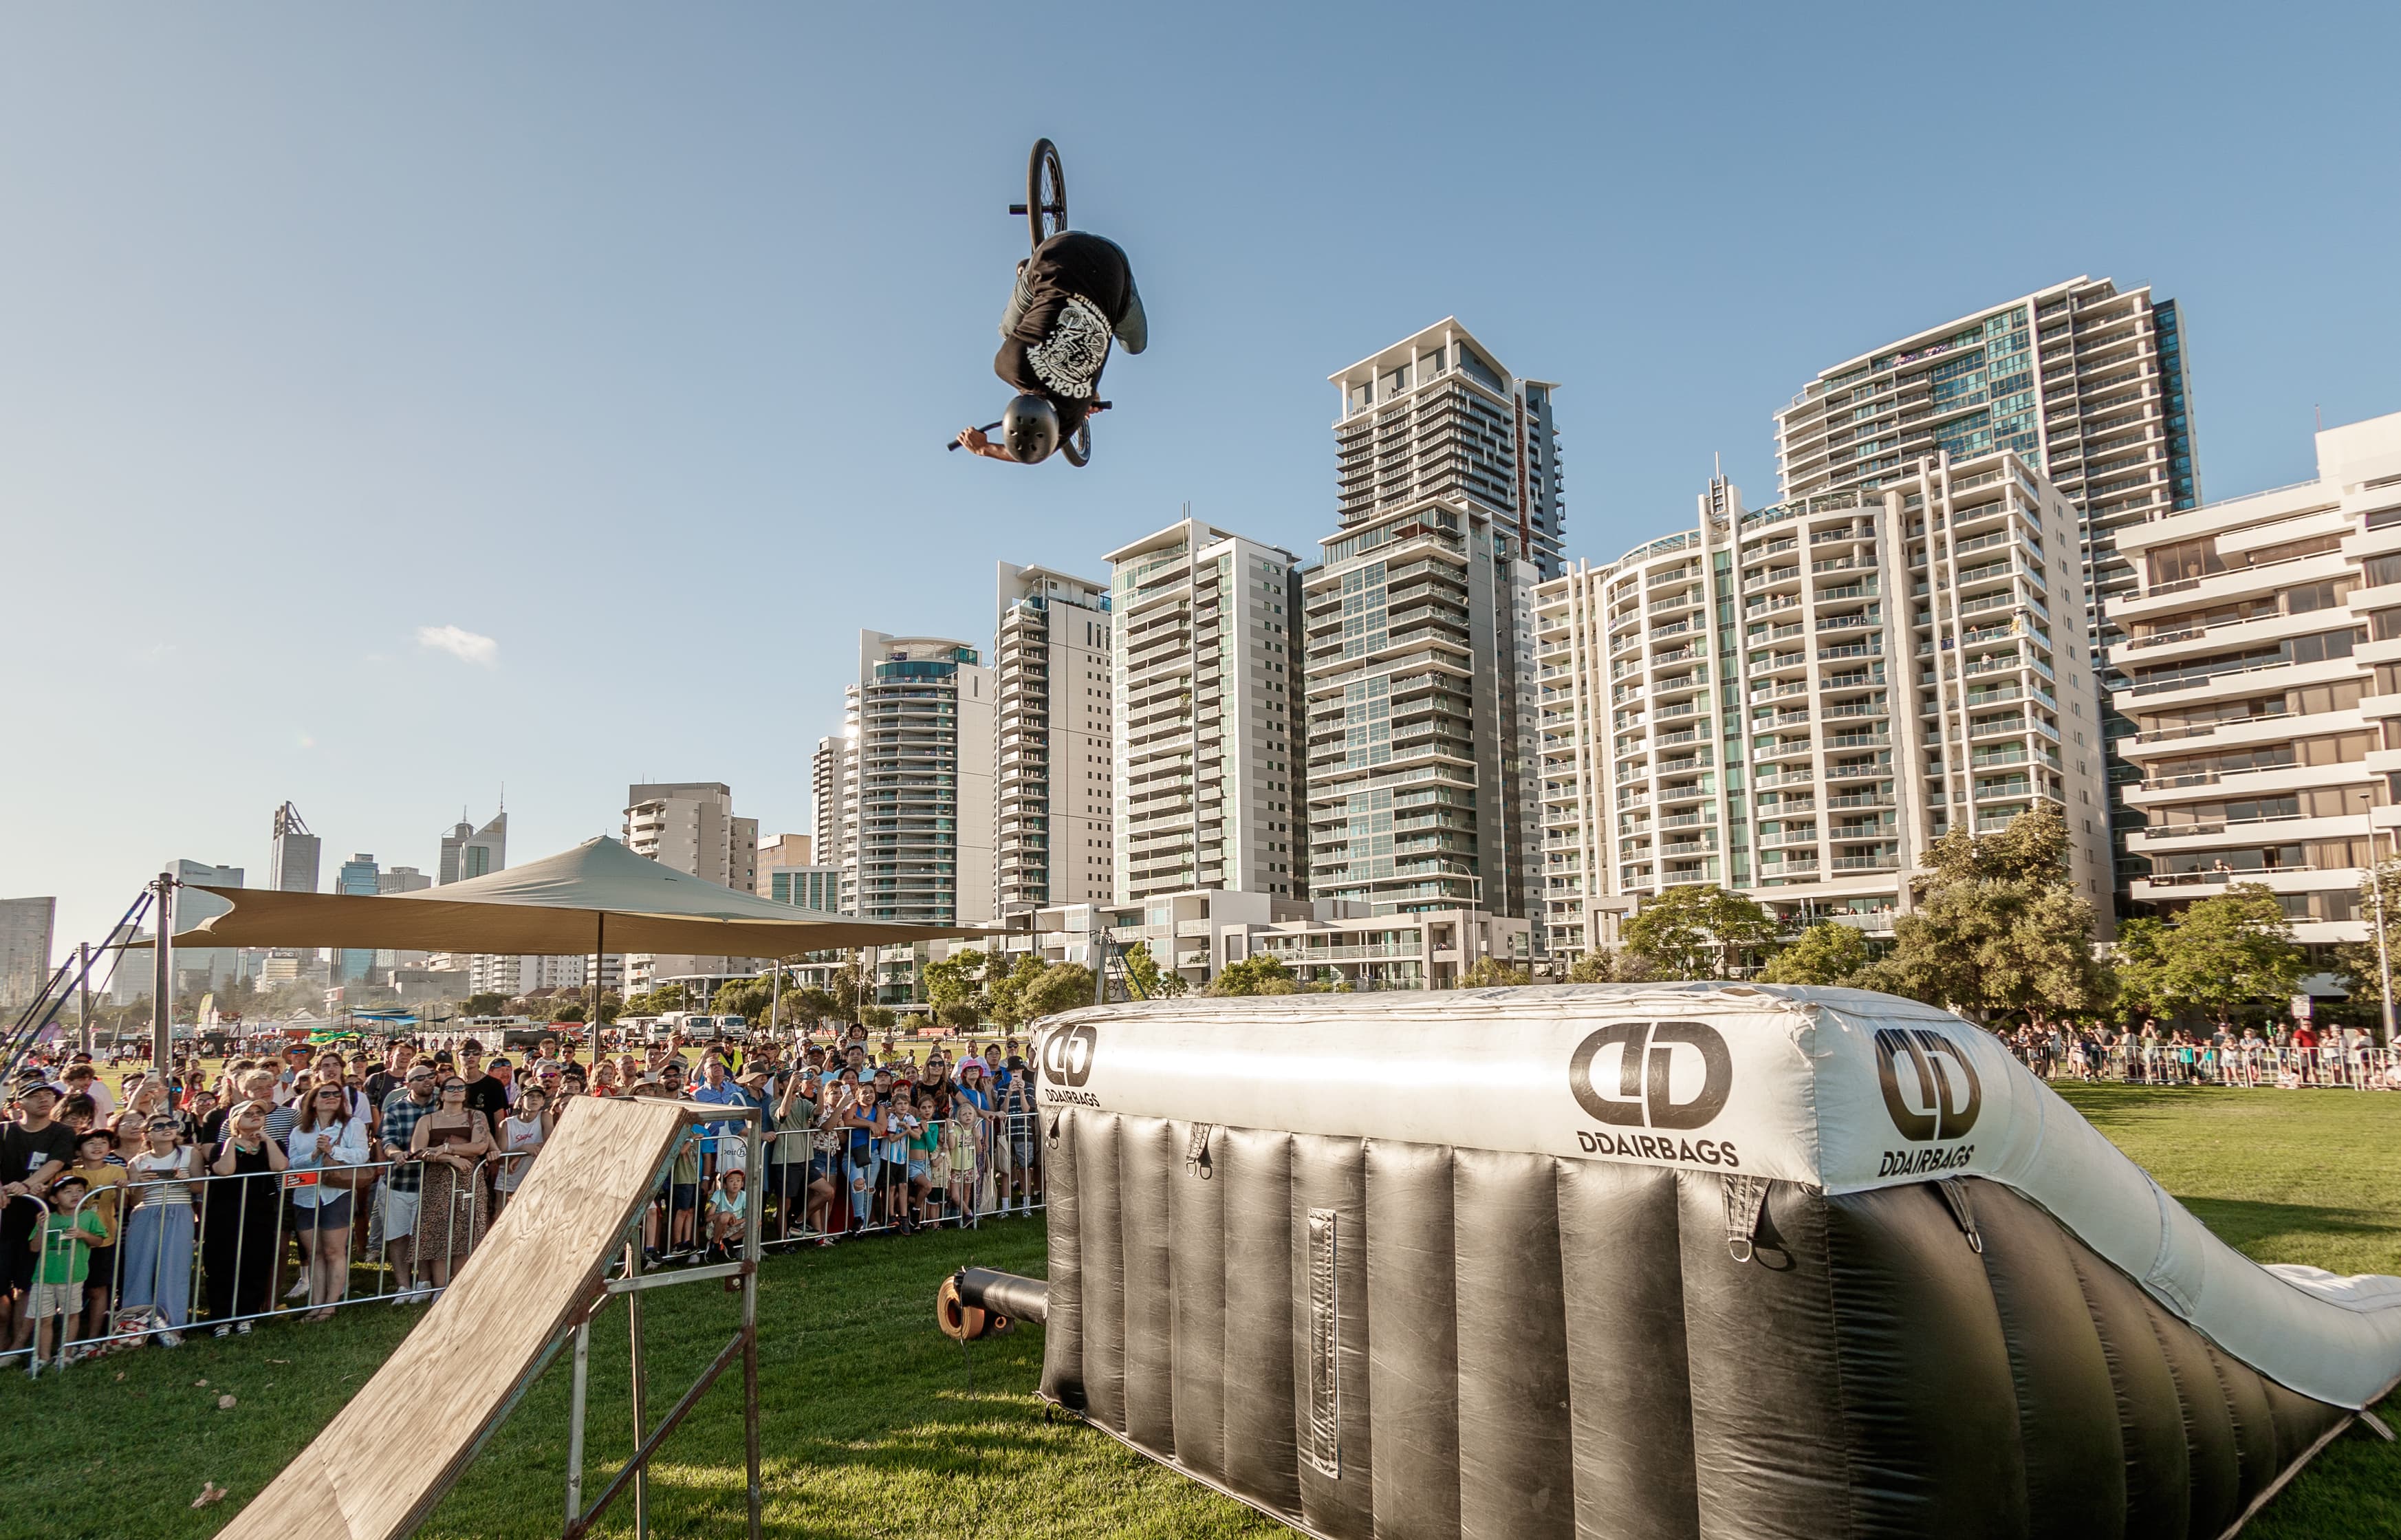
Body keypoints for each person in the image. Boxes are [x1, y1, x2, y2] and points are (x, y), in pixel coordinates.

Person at [954, 230, 1147, 466]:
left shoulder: (1073, 410)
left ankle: (1124, 290)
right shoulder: (1008, 365)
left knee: (1136, 346)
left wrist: (1089, 398)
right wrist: (982, 447)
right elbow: (1030, 450)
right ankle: (1027, 273)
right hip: (1057, 249)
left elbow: (1036, 454)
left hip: (1112, 262)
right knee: (1007, 331)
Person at [4, 1077, 80, 1360]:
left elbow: (56, 1163)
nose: (44, 1099)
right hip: (5, 1218)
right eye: (35, 1095)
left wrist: (26, 1185)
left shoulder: (62, 1132)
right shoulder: (5, 1132)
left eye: (49, 1094)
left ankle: (18, 1347)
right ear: (17, 1103)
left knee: (28, 1284)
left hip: (38, 1216)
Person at [287, 1082, 371, 1321]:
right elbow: (292, 1162)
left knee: (334, 1251)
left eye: (337, 1094)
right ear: (313, 1101)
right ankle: (315, 1304)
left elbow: (361, 1156)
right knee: (315, 1253)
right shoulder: (299, 1131)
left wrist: (333, 1151)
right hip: (306, 1196)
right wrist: (313, 1155)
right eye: (326, 1094)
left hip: (337, 1194)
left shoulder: (352, 1125)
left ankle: (329, 1306)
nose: (332, 1097)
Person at [204, 1100, 285, 1335]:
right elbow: (225, 1170)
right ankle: (221, 1318)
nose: (255, 1115)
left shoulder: (273, 1144)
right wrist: (232, 1142)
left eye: (259, 1112)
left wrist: (267, 1140)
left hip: (259, 1210)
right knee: (222, 1262)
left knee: (255, 1260)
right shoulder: (221, 1146)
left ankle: (246, 1315)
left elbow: (280, 1166)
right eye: (248, 1113)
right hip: (225, 1211)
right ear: (234, 1121)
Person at [118, 1116, 199, 1345]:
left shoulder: (189, 1153)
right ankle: (135, 1328)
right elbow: (135, 1201)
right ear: (147, 1134)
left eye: (172, 1125)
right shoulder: (137, 1161)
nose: (167, 1129)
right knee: (139, 1269)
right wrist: (139, 1184)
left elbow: (200, 1187)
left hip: (179, 1212)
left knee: (174, 1269)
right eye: (159, 1126)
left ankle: (173, 1327)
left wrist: (186, 1179)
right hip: (146, 1214)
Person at [409, 1076, 492, 1297]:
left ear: (465, 1094)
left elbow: (479, 1146)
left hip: (468, 1179)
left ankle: (459, 1287)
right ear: (442, 1094)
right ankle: (440, 1288)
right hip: (437, 1182)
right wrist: (450, 1158)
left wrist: (444, 1148)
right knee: (439, 1232)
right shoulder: (428, 1120)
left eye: (460, 1088)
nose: (456, 1091)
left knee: (466, 1232)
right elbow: (418, 1150)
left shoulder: (476, 1116)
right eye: (450, 1088)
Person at [25, 1172, 107, 1376]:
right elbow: (34, 1248)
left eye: (80, 1191)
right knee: (44, 1318)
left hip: (73, 1276)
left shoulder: (88, 1216)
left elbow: (99, 1241)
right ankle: (43, 1356)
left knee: (71, 1315)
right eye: (67, 1191)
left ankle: (66, 1353)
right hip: (44, 1277)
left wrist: (83, 1234)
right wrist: (41, 1227)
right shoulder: (48, 1218)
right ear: (54, 1198)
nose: (75, 1195)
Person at [65, 1129, 127, 1353]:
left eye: (103, 1142)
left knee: (98, 1289)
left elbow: (121, 1206)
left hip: (103, 1237)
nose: (97, 1146)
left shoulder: (117, 1170)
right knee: (69, 1289)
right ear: (79, 1149)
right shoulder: (69, 1172)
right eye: (90, 1142)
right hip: (72, 1238)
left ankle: (92, 1337)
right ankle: (66, 1338)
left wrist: (122, 1189)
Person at [492, 1085, 552, 1213]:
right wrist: (523, 1148)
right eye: (530, 1096)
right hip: (508, 1181)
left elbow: (550, 1144)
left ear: (543, 1102)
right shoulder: (507, 1124)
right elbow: (501, 1159)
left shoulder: (545, 1117)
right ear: (521, 1101)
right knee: (500, 1218)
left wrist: (519, 1155)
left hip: (533, 1181)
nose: (534, 1099)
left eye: (539, 1097)